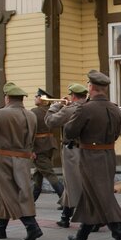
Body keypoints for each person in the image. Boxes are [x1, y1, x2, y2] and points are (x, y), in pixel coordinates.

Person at [64, 70, 121, 240]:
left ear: (91, 87)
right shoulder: (114, 108)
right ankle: (82, 236)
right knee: (91, 195)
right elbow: (117, 132)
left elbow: (69, 131)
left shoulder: (85, 108)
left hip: (91, 156)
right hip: (108, 153)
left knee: (102, 196)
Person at [0, 82, 42, 240]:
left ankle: (31, 226)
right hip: (24, 158)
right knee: (20, 191)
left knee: (8, 192)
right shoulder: (31, 115)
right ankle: (0, 228)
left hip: (5, 159)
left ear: (7, 98)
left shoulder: (1, 114)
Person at [45, 83, 89, 228]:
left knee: (73, 183)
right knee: (72, 183)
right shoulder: (89, 107)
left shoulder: (70, 109)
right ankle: (65, 216)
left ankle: (88, 219)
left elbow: (50, 121)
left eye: (71, 95)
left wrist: (55, 106)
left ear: (73, 96)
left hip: (72, 150)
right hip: (86, 149)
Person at [30, 89, 64, 203]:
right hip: (49, 145)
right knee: (38, 174)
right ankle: (31, 200)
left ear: (42, 99)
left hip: (38, 147)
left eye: (36, 96)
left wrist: (30, 150)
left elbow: (30, 132)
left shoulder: (34, 112)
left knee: (49, 173)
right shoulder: (51, 111)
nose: (35, 98)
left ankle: (65, 200)